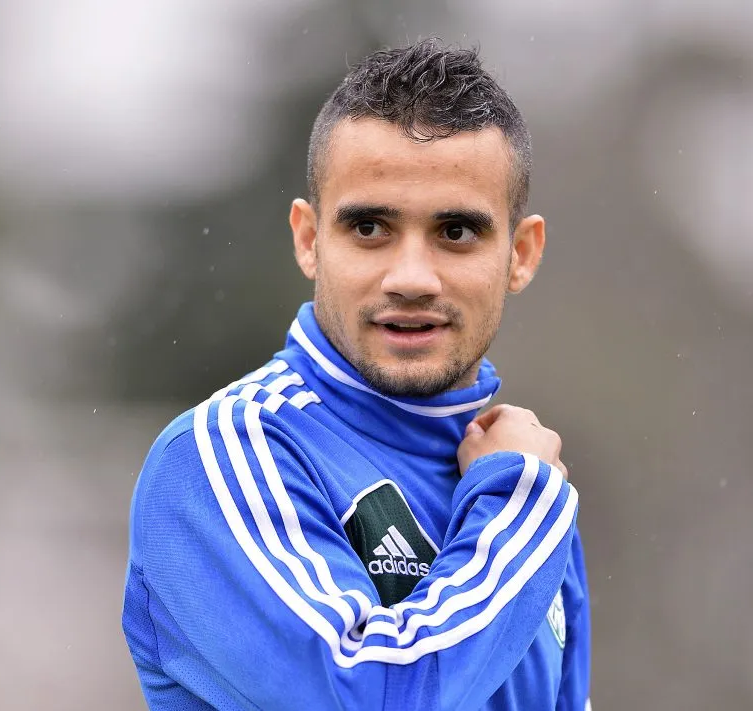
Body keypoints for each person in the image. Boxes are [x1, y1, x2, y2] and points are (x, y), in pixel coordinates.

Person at [122, 38, 591, 711]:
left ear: (521, 254)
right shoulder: (220, 456)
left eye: (456, 232)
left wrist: (519, 494)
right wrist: (519, 501)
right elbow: (372, 698)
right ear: (309, 240)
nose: (411, 277)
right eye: (370, 227)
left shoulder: (520, 488)